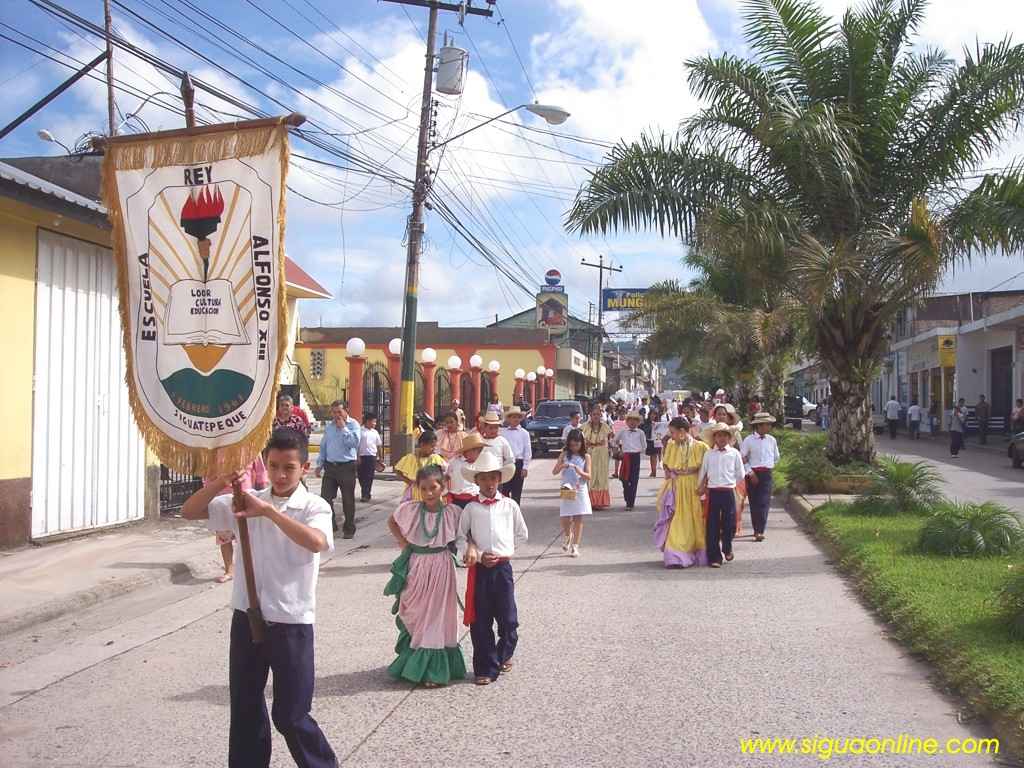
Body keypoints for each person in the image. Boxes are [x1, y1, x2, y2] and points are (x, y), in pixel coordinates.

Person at [181, 429, 336, 768]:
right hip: (247, 616)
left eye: (289, 467)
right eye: (274, 465)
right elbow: (189, 511)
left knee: (291, 714)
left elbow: (316, 542)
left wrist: (268, 512)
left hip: (291, 621)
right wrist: (222, 480)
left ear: (304, 468)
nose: (280, 475)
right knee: (246, 707)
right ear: (265, 463)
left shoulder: (314, 506)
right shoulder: (244, 500)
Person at [384, 464, 466, 687]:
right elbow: (391, 521)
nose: (429, 493)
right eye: (424, 488)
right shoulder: (410, 509)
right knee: (415, 611)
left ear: (443, 486)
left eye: (433, 488)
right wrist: (403, 542)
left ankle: (432, 670)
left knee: (436, 615)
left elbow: (465, 534)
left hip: (441, 566)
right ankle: (415, 658)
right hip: (417, 564)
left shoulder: (452, 513)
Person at [457, 451, 528, 686]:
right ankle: (485, 668)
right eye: (484, 478)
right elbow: (460, 537)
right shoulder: (470, 509)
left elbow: (522, 534)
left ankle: (501, 654)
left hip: (502, 569)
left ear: (499, 479)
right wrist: (477, 556)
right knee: (481, 621)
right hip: (481, 570)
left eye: (493, 478)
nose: (489, 483)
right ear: (477, 481)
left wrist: (506, 552)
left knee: (508, 619)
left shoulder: (509, 505)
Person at [653, 416, 709, 568]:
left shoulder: (701, 447)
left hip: (694, 487)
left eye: (673, 432)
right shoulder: (671, 445)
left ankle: (696, 551)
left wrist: (703, 486)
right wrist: (669, 473)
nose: (671, 436)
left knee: (695, 519)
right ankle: (675, 556)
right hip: (676, 486)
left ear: (682, 431)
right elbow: (666, 463)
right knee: (677, 518)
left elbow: (707, 469)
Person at [204, 456, 268, 583]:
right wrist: (209, 492)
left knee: (247, 537)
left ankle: (251, 568)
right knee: (224, 538)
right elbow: (209, 476)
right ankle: (229, 570)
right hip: (221, 501)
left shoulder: (252, 449)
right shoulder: (216, 450)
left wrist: (263, 495)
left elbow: (261, 472)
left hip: (245, 499)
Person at [699, 422, 746, 568]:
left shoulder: (734, 453)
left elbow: (740, 473)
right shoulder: (709, 454)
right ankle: (715, 557)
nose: (722, 438)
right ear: (714, 438)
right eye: (719, 436)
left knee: (730, 523)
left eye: (725, 435)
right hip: (713, 492)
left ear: (729, 437)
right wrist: (701, 488)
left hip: (728, 491)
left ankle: (727, 547)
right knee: (712, 525)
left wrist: (731, 483)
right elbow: (703, 472)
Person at [316, 400, 361, 538]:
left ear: (346, 411)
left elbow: (354, 443)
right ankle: (331, 524)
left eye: (339, 412)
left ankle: (349, 529)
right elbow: (324, 446)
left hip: (346, 466)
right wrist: (319, 464)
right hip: (330, 466)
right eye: (334, 412)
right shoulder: (329, 426)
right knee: (325, 498)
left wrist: (343, 429)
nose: (336, 415)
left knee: (348, 499)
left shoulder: (353, 425)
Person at [552, 428, 592, 558]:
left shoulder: (586, 457)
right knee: (565, 516)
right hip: (567, 487)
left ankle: (575, 545)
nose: (574, 447)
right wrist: (562, 466)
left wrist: (580, 472)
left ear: (582, 443)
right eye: (571, 445)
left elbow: (589, 476)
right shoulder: (564, 454)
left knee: (578, 517)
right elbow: (554, 471)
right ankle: (568, 535)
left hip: (580, 488)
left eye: (577, 445)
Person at [740, 413, 780, 542]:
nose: (769, 427)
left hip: (766, 473)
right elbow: (742, 458)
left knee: (764, 502)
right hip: (753, 474)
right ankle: (756, 528)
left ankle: (760, 530)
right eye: (767, 424)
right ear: (759, 426)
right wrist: (750, 472)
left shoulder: (771, 440)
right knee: (754, 503)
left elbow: (776, 457)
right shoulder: (748, 440)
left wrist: (769, 466)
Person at [394, 430, 447, 502]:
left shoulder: (436, 458)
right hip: (415, 492)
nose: (434, 449)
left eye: (435, 446)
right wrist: (409, 481)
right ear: (422, 445)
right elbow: (397, 470)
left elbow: (446, 472)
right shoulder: (410, 458)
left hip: (431, 493)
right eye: (432, 446)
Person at [499, 406, 531, 505]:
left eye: (518, 417)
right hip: (506, 464)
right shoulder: (503, 433)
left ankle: (516, 511)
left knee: (516, 492)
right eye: (513, 417)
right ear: (509, 419)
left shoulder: (524, 433)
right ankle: (506, 510)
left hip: (518, 463)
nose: (516, 419)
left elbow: (527, 451)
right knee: (504, 490)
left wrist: (525, 467)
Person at [615, 411, 647, 511]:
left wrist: (638, 451)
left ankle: (630, 503)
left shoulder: (641, 432)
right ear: (627, 421)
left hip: (636, 457)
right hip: (625, 457)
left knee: (634, 480)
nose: (632, 422)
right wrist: (619, 449)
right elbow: (614, 440)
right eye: (630, 420)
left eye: (635, 420)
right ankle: (627, 494)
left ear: (638, 422)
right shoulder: (623, 431)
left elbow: (644, 446)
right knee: (624, 478)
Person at [582, 407, 613, 510]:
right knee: (591, 476)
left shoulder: (605, 426)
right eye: (594, 414)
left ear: (601, 415)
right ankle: (590, 502)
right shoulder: (585, 426)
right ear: (590, 415)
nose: (596, 416)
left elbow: (611, 437)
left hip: (602, 454)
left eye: (598, 414)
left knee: (601, 477)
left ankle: (600, 502)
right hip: (590, 453)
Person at [446, 433, 484, 508]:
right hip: (456, 499)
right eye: (479, 451)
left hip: (475, 499)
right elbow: (446, 477)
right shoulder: (454, 463)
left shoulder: (481, 463)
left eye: (481, 451)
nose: (480, 454)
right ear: (469, 451)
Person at [357, 413, 382, 502]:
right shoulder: (360, 431)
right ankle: (366, 492)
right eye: (373, 421)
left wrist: (380, 457)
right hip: (361, 457)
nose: (375, 424)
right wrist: (357, 456)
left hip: (371, 457)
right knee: (361, 476)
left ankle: (365, 494)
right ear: (367, 421)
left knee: (369, 476)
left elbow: (379, 445)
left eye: (375, 422)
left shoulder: (375, 432)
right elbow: (356, 445)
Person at [642, 409, 662, 477]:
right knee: (652, 456)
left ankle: (654, 471)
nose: (653, 416)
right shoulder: (646, 422)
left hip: (656, 440)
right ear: (649, 414)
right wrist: (651, 426)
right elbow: (644, 430)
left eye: (655, 414)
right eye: (652, 414)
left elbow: (660, 432)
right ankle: (653, 470)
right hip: (649, 440)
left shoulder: (658, 422)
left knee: (654, 456)